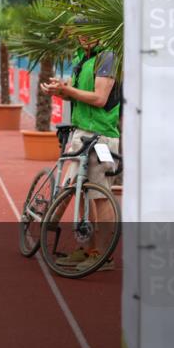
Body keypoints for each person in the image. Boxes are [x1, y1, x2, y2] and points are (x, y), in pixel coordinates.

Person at [41, 21, 121, 272]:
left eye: (89, 32)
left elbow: (99, 98)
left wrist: (69, 90)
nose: (83, 37)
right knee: (77, 190)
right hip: (81, 132)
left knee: (99, 195)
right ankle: (89, 248)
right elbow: (78, 94)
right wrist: (60, 91)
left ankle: (104, 254)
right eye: (79, 33)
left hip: (102, 136)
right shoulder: (81, 58)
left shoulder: (107, 56)